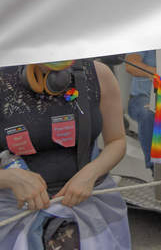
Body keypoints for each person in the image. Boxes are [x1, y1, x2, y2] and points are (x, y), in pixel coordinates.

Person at [0, 58, 130, 249]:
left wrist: (91, 173)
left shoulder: (99, 74)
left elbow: (117, 141)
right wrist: (10, 178)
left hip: (90, 205)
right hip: (14, 213)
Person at [125, 50, 157, 172]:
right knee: (148, 114)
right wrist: (156, 72)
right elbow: (130, 65)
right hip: (141, 97)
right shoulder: (145, 41)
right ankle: (154, 167)